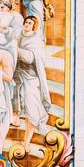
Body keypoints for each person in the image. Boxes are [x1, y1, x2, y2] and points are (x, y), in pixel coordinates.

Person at [13, 16, 53, 151]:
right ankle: (15, 117)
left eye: (30, 23)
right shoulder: (18, 34)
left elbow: (30, 58)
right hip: (17, 75)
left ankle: (26, 142)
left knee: (32, 111)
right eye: (26, 22)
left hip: (30, 78)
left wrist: (16, 50)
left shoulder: (36, 41)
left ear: (34, 26)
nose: (26, 24)